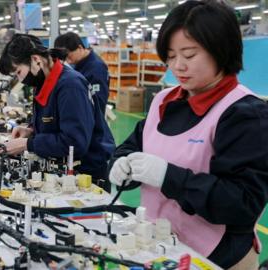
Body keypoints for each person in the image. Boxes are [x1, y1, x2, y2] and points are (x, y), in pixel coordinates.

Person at [107, 1, 268, 269]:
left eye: (189, 55)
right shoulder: (164, 101)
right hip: (159, 248)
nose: (178, 66)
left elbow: (242, 203)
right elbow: (132, 146)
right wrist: (120, 165)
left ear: (221, 50)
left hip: (216, 257)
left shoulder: (244, 114)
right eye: (170, 56)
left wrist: (167, 177)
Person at [0, 34, 115, 181]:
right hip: (67, 168)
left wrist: (27, 144)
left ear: (36, 60)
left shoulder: (70, 86)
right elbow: (54, 123)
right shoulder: (44, 82)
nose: (21, 80)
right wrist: (30, 131)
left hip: (87, 173)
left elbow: (74, 142)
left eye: (19, 72)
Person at [54, 32, 109, 114]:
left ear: (80, 48)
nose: (67, 61)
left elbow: (98, 102)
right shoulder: (79, 62)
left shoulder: (97, 68)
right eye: (64, 58)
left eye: (69, 56)